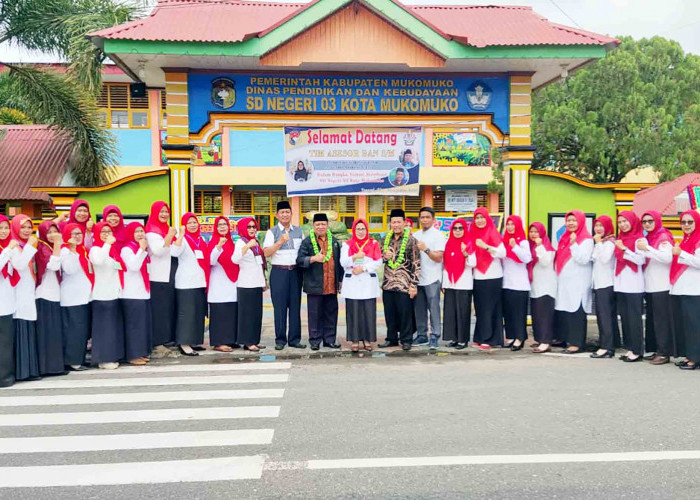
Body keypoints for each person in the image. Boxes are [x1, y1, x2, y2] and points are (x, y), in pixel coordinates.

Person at [297, 213, 343, 351]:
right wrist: (313, 259)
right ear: (313, 226)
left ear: (327, 225)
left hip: (331, 284)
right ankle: (315, 341)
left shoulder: (334, 241)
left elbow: (338, 263)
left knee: (331, 313)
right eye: (318, 224)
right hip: (315, 285)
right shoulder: (307, 242)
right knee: (314, 314)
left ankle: (329, 340)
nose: (321, 227)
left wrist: (340, 280)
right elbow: (299, 260)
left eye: (323, 224)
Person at [263, 200, 305, 350]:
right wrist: (280, 241)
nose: (285, 215)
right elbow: (266, 253)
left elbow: (304, 252)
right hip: (279, 272)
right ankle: (280, 339)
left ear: (291, 214)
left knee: (295, 306)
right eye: (282, 212)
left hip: (295, 272)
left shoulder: (299, 231)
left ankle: (294, 339)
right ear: (277, 215)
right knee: (279, 307)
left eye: (287, 212)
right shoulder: (271, 232)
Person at [379, 209, 420, 351]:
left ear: (404, 223)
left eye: (398, 222)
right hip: (388, 283)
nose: (396, 225)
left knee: (405, 314)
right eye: (393, 222)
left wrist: (413, 285)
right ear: (390, 223)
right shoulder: (385, 239)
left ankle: (406, 339)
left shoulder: (411, 240)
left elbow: (416, 263)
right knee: (390, 314)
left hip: (404, 284)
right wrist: (385, 256)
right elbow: (378, 259)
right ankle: (391, 339)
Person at [637, 211, 675, 365]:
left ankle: (664, 352)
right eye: (644, 221)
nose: (647, 224)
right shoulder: (649, 238)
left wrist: (648, 249)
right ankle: (655, 349)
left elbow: (667, 258)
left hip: (662, 286)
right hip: (650, 285)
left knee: (662, 321)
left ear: (657, 221)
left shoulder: (663, 237)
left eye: (650, 221)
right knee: (652, 320)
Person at [554, 210, 593, 354]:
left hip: (579, 282)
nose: (570, 223)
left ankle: (577, 343)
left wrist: (574, 244)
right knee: (567, 310)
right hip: (566, 282)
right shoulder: (565, 238)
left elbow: (583, 259)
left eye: (574, 220)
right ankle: (567, 339)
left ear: (581, 222)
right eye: (568, 220)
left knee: (577, 311)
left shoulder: (586, 239)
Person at [340, 219, 382, 352]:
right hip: (352, 281)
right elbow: (343, 262)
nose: (360, 232)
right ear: (353, 230)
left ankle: (367, 339)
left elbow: (378, 261)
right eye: (358, 229)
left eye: (363, 229)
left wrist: (363, 268)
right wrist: (354, 257)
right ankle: (355, 340)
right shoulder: (347, 244)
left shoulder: (373, 243)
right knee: (353, 311)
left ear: (367, 230)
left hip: (367, 281)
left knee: (368, 311)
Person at [171, 213, 209, 356]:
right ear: (184, 225)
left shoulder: (200, 239)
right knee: (186, 314)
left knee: (197, 314)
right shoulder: (183, 240)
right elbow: (174, 252)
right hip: (186, 283)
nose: (193, 225)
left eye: (195, 222)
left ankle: (194, 340)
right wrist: (180, 234)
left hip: (199, 281)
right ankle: (184, 343)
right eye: (189, 223)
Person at [89, 222, 125, 370]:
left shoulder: (112, 250)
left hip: (113, 294)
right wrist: (108, 244)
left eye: (109, 231)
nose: (106, 234)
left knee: (111, 329)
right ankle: (103, 359)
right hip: (101, 295)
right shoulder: (95, 249)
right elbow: (98, 261)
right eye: (102, 231)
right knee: (103, 330)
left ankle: (111, 356)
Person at [145, 201, 178, 357]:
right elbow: (158, 251)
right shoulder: (152, 231)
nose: (164, 214)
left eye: (166, 211)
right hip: (158, 277)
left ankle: (165, 339)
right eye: (161, 212)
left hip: (169, 274)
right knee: (159, 311)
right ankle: (157, 342)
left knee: (166, 309)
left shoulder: (165, 229)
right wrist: (170, 236)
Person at [470, 207, 506, 350]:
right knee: (480, 308)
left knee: (490, 308)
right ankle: (479, 337)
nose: (479, 221)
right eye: (477, 218)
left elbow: (503, 252)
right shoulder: (472, 233)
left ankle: (490, 339)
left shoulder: (492, 232)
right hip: (478, 275)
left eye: (482, 217)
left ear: (487, 218)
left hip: (493, 275)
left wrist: (486, 247)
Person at [60, 223, 94, 371]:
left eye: (79, 233)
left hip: (84, 297)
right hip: (72, 297)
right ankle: (73, 361)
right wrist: (72, 250)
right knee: (74, 331)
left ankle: (79, 359)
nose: (76, 237)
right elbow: (70, 269)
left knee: (82, 331)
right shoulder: (65, 252)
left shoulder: (83, 251)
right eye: (73, 234)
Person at [613, 211, 646, 363]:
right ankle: (631, 348)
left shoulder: (639, 239)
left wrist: (625, 249)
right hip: (621, 284)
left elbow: (640, 260)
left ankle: (638, 350)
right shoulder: (620, 238)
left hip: (633, 285)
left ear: (633, 222)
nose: (623, 225)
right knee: (625, 318)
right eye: (620, 222)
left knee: (634, 319)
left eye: (625, 221)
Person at [35, 220, 66, 376]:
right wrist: (58, 245)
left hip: (54, 295)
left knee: (54, 333)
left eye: (56, 231)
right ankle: (46, 368)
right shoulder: (42, 247)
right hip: (44, 295)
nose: (53, 235)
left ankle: (54, 367)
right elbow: (53, 266)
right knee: (47, 334)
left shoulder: (48, 246)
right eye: (49, 232)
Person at [670, 210, 700, 370]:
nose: (686, 225)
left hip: (695, 290)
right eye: (683, 222)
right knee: (686, 326)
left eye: (690, 222)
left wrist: (682, 253)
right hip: (683, 289)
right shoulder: (685, 240)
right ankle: (689, 356)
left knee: (694, 327)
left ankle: (695, 359)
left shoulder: (698, 240)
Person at [11, 215, 40, 381]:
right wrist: (29, 246)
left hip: (28, 294)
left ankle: (30, 371)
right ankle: (22, 372)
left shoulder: (25, 246)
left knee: (29, 331)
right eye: (23, 227)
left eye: (29, 227)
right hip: (19, 296)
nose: (27, 230)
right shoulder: (15, 246)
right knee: (22, 332)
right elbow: (20, 265)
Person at [412, 207, 445, 349]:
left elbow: (438, 258)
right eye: (422, 217)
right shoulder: (415, 235)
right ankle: (421, 335)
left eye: (427, 217)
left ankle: (435, 335)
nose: (424, 219)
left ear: (433, 219)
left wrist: (426, 249)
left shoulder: (438, 235)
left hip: (433, 278)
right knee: (419, 309)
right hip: (418, 278)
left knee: (434, 309)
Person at [120, 222, 152, 366]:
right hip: (131, 292)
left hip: (142, 292)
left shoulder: (140, 248)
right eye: (136, 231)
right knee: (134, 326)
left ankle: (140, 352)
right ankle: (132, 355)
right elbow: (133, 266)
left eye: (142, 231)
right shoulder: (127, 249)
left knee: (141, 325)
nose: (140, 234)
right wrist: (141, 249)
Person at [233, 217, 267, 352]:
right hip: (246, 284)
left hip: (256, 283)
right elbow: (234, 259)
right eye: (249, 227)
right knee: (247, 315)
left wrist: (263, 281)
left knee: (256, 314)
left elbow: (260, 263)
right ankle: (247, 341)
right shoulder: (241, 242)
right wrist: (247, 246)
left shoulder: (256, 242)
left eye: (254, 227)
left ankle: (254, 340)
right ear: (243, 229)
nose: (252, 229)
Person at [442, 219, 476, 350]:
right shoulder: (448, 243)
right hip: (450, 283)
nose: (457, 231)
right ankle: (454, 338)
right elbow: (445, 265)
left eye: (460, 228)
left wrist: (465, 253)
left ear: (464, 229)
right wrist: (444, 283)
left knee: (463, 313)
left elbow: (473, 263)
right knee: (451, 312)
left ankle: (463, 339)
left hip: (464, 283)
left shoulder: (469, 243)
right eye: (455, 228)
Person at [590, 215, 620, 359]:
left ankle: (606, 347)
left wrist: (598, 243)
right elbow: (593, 257)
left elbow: (604, 259)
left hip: (606, 284)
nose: (598, 228)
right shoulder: (603, 242)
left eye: (601, 225)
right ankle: (611, 342)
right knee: (606, 316)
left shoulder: (609, 242)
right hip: (600, 283)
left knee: (604, 316)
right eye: (596, 225)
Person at [207, 216, 239, 352]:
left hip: (232, 282)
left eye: (224, 224)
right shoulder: (213, 242)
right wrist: (218, 246)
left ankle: (231, 340)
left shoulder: (232, 242)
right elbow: (211, 261)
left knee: (231, 311)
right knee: (219, 312)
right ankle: (218, 342)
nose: (222, 227)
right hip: (218, 282)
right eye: (219, 225)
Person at [502, 215, 532, 351]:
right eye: (508, 224)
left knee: (519, 314)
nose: (510, 227)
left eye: (512, 224)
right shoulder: (504, 241)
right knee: (509, 313)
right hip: (506, 283)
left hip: (520, 284)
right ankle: (512, 337)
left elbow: (526, 258)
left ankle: (520, 338)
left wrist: (515, 247)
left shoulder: (523, 242)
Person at [527, 222, 556, 354]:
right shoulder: (530, 247)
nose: (533, 234)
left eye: (536, 232)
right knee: (537, 315)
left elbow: (545, 262)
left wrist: (540, 246)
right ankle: (540, 339)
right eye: (531, 231)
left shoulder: (547, 248)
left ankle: (546, 341)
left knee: (545, 315)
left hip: (546, 287)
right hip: (535, 287)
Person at [0, 215, 18, 386]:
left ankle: (5, 376)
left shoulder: (8, 247)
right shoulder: (5, 249)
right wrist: (7, 251)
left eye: (6, 228)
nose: (4, 231)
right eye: (1, 228)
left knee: (5, 341)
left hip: (6, 302)